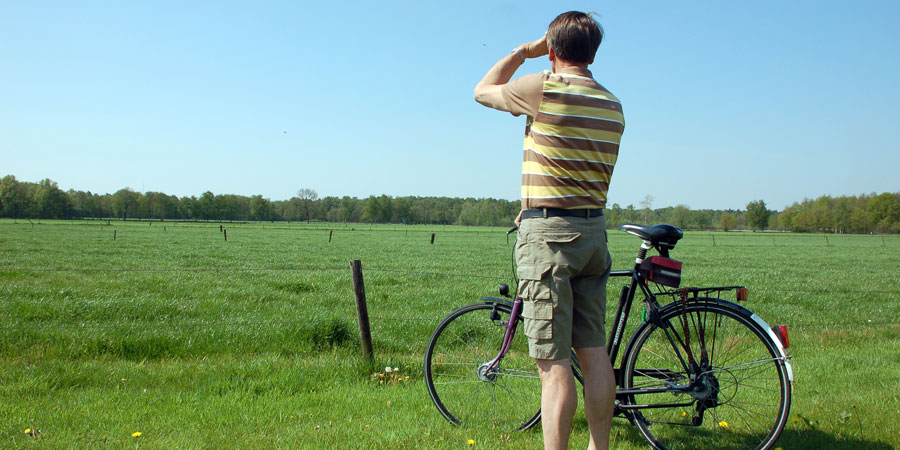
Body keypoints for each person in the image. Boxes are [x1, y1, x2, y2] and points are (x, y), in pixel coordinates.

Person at [473, 11, 623, 450]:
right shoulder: (612, 104)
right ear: (593, 51)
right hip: (594, 234)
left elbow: (482, 91)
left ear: (553, 49)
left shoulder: (544, 87)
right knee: (594, 354)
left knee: (552, 364)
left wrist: (523, 51)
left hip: (550, 238)